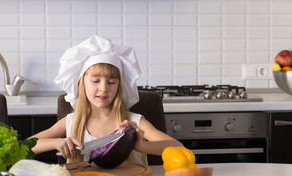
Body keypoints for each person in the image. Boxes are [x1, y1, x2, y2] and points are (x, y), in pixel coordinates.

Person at [30, 35, 183, 165]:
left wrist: (140, 146)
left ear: (119, 86)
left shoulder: (134, 122)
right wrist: (56, 142)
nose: (103, 88)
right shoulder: (71, 121)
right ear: (82, 84)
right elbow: (26, 146)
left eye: (111, 82)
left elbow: (178, 147)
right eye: (95, 81)